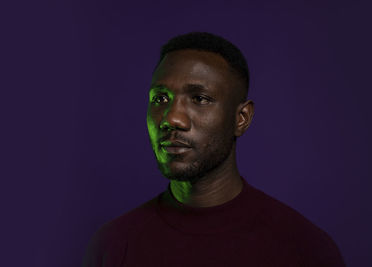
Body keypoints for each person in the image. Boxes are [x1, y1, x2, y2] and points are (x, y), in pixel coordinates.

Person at [82, 32, 346, 267]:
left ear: (241, 118)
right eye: (160, 99)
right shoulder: (113, 246)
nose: (172, 118)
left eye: (200, 99)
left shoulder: (305, 249)